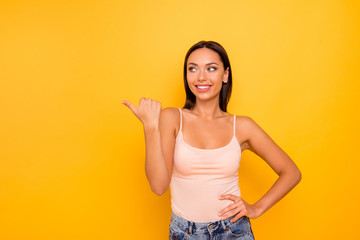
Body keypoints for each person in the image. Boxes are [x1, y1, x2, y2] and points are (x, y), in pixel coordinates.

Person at [122, 41, 302, 239]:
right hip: (185, 233)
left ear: (225, 75)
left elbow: (291, 172)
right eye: (193, 69)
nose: (201, 77)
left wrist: (257, 208)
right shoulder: (172, 118)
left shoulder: (242, 126)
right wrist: (150, 128)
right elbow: (158, 186)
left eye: (211, 68)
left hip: (233, 231)